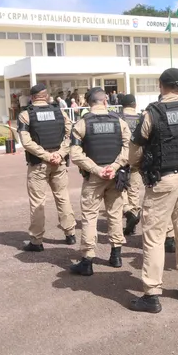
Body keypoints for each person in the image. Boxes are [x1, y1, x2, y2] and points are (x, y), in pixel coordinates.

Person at [126, 68, 178, 313]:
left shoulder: (153, 112)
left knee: (154, 237)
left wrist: (139, 167)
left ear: (161, 85)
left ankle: (151, 294)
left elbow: (136, 148)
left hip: (162, 181)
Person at [68, 87, 130, 276]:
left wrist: (98, 170)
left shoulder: (81, 124)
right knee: (115, 214)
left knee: (89, 217)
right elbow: (128, 149)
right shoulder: (120, 122)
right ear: (105, 101)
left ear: (88, 103)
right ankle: (116, 255)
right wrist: (115, 166)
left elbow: (75, 155)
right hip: (115, 176)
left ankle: (87, 261)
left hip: (95, 178)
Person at [17, 83, 77, 251]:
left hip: (38, 164)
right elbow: (70, 135)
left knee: (37, 202)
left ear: (32, 97)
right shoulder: (60, 112)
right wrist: (59, 153)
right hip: (59, 162)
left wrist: (47, 156)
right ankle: (70, 234)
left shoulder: (25, 115)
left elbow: (26, 142)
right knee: (63, 197)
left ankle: (37, 241)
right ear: (46, 96)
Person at [118, 94, 144, 236]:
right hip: (138, 158)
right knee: (134, 189)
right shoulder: (142, 117)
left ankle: (128, 211)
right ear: (134, 104)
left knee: (120, 188)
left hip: (121, 157)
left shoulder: (118, 118)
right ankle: (133, 215)